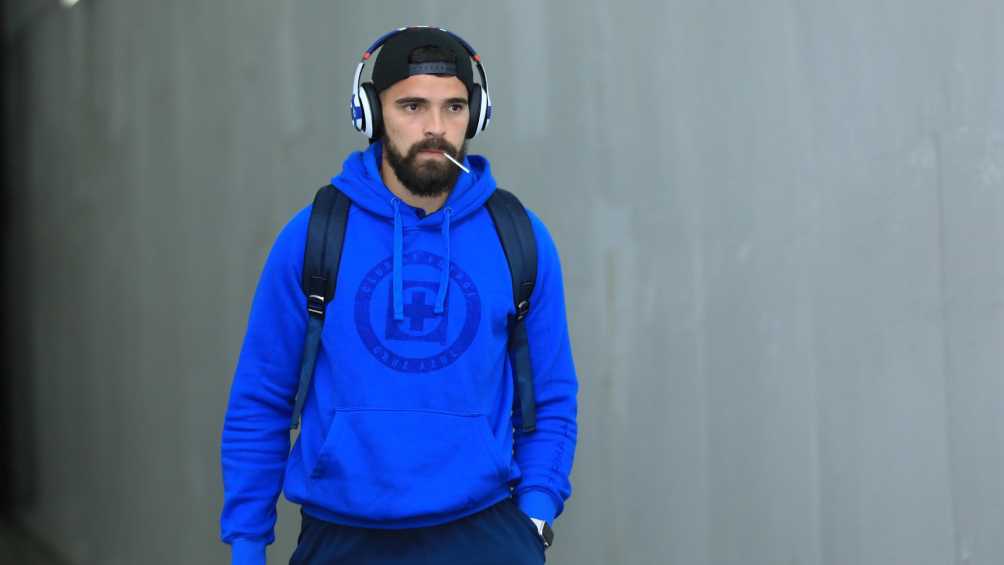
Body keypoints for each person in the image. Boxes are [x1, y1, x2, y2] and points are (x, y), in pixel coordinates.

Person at [220, 26, 578, 565]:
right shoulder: (313, 236)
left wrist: (535, 512)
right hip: (342, 538)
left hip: (484, 535)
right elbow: (261, 400)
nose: (435, 128)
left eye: (454, 107)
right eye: (412, 105)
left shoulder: (519, 239)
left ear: (476, 116)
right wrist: (248, 545)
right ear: (371, 112)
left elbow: (551, 398)